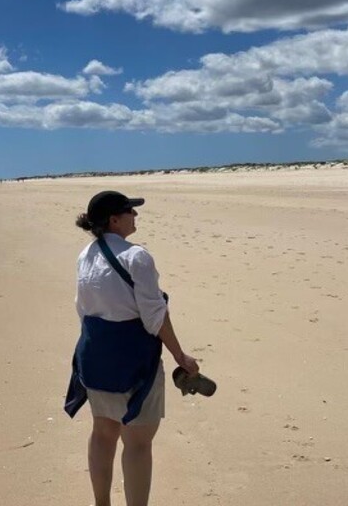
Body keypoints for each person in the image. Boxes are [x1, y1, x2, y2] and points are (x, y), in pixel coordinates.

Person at [64, 190, 199, 506]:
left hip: (93, 358)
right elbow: (155, 317)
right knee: (138, 444)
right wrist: (181, 356)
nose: (135, 216)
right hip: (134, 363)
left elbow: (82, 308)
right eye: (130, 211)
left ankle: (101, 504)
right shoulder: (137, 257)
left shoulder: (85, 255)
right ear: (114, 219)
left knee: (102, 433)